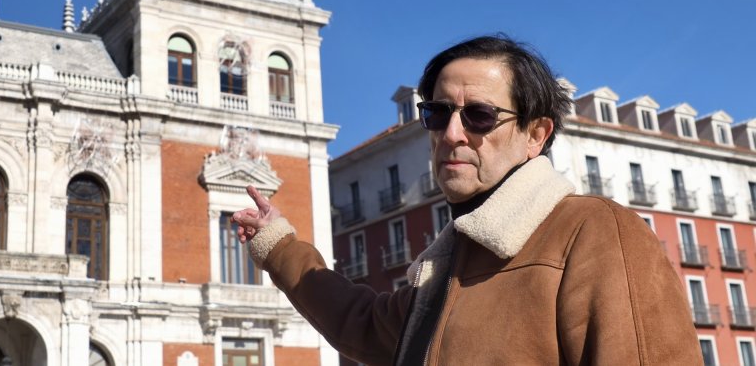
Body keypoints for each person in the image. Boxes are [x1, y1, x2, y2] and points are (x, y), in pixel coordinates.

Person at [233, 35, 701, 365]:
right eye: (437, 113)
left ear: (535, 135)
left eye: (479, 115)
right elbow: (362, 324)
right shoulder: (448, 266)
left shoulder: (595, 233)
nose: (452, 134)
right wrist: (278, 243)